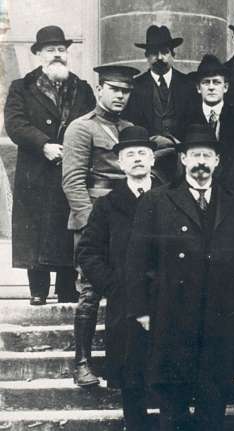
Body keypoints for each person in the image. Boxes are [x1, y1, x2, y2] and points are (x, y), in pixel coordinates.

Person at [125, 124, 234, 431]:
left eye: (207, 156)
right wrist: (141, 309)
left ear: (217, 161)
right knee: (173, 397)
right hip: (173, 313)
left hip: (220, 316)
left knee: (214, 395)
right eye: (195, 155)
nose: (201, 162)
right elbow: (137, 258)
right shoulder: (157, 201)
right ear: (183, 159)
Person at [3, 25, 95, 305]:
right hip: (36, 171)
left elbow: (91, 121)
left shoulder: (82, 88)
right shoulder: (22, 87)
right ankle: (38, 291)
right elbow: (15, 124)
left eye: (61, 49)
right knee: (35, 231)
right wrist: (44, 144)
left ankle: (67, 288)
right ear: (39, 54)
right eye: (50, 50)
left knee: (68, 227)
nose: (57, 54)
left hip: (71, 168)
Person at [76, 125, 158, 430]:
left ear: (152, 160)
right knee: (131, 376)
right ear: (121, 163)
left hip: (166, 300)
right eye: (130, 154)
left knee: (169, 375)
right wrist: (114, 285)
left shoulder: (171, 198)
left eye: (142, 153)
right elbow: (88, 252)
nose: (137, 159)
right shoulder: (108, 205)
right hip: (125, 303)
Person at [62, 64, 139, 387]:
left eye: (126, 91)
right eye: (114, 89)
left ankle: (125, 361)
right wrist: (90, 225)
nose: (120, 96)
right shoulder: (81, 128)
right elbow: (73, 181)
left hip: (127, 219)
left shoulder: (130, 129)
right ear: (99, 89)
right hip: (94, 219)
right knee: (91, 291)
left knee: (130, 287)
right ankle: (81, 362)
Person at [124, 25, 195, 182]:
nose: (160, 57)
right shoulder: (135, 86)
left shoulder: (188, 84)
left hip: (182, 161)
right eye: (154, 53)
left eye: (164, 52)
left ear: (173, 54)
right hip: (149, 162)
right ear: (146, 56)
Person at [183, 54, 234, 180]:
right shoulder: (186, 119)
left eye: (216, 82)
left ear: (225, 87)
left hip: (233, 182)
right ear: (198, 88)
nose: (211, 87)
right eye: (206, 82)